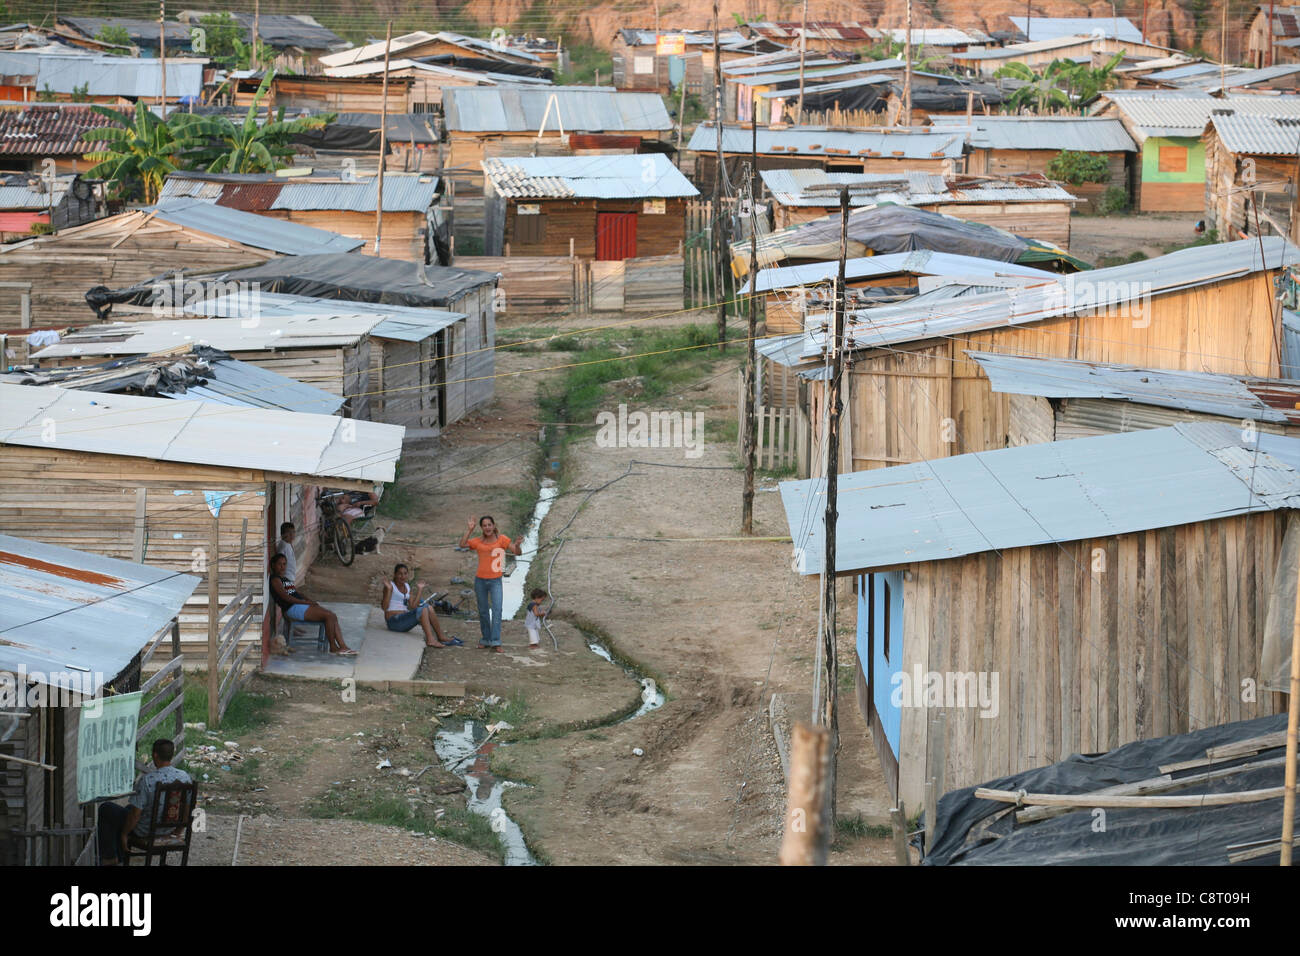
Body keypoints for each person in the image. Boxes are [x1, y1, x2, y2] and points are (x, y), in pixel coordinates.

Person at [98, 738, 193, 865]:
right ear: (172, 755)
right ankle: (118, 856)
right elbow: (188, 809)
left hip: (146, 830)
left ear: (155, 755)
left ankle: (110, 856)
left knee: (107, 808)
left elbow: (135, 815)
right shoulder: (185, 777)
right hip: (168, 829)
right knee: (128, 808)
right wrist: (178, 831)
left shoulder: (148, 780)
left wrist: (124, 834)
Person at [269, 552, 355, 655]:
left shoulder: (285, 579)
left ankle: (343, 646)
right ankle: (333, 647)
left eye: (284, 564)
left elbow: (297, 593)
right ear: (273, 565)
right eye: (280, 564)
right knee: (328, 616)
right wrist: (305, 603)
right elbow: (286, 597)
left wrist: (309, 601)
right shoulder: (275, 580)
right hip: (293, 608)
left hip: (299, 605)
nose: (283, 567)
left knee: (332, 616)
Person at [459, 514, 521, 653]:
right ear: (481, 528)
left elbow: (517, 552)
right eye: (484, 525)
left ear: (494, 526)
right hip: (480, 580)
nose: (487, 527)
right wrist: (469, 529)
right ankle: (486, 639)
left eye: (489, 525)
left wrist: (517, 545)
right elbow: (462, 544)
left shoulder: (502, 539)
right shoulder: (478, 541)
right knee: (483, 611)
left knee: (497, 610)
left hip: (496, 581)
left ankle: (496, 641)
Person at [382, 563, 462, 648]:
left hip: (404, 620)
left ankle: (441, 636)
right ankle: (430, 639)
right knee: (423, 609)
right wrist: (389, 589)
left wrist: (420, 589)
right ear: (395, 575)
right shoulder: (390, 586)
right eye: (400, 574)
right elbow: (384, 608)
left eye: (405, 573)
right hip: (394, 622)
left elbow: (413, 605)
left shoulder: (407, 586)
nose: (403, 576)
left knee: (429, 608)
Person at [275, 522, 306, 636]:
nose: (293, 535)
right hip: (285, 580)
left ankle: (292, 627)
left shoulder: (287, 545)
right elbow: (280, 565)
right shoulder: (283, 546)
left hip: (290, 579)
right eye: (290, 533)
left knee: (288, 605)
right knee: (288, 605)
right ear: (283, 535)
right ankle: (290, 628)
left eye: (293, 532)